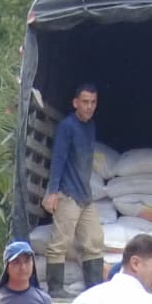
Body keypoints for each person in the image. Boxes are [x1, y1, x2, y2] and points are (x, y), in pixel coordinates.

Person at [42, 86, 107, 287]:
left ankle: (94, 290)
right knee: (60, 244)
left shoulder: (90, 126)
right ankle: (55, 290)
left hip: (85, 195)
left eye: (93, 102)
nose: (89, 107)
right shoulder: (67, 126)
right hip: (67, 194)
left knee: (94, 241)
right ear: (75, 103)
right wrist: (53, 192)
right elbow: (58, 159)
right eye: (85, 102)